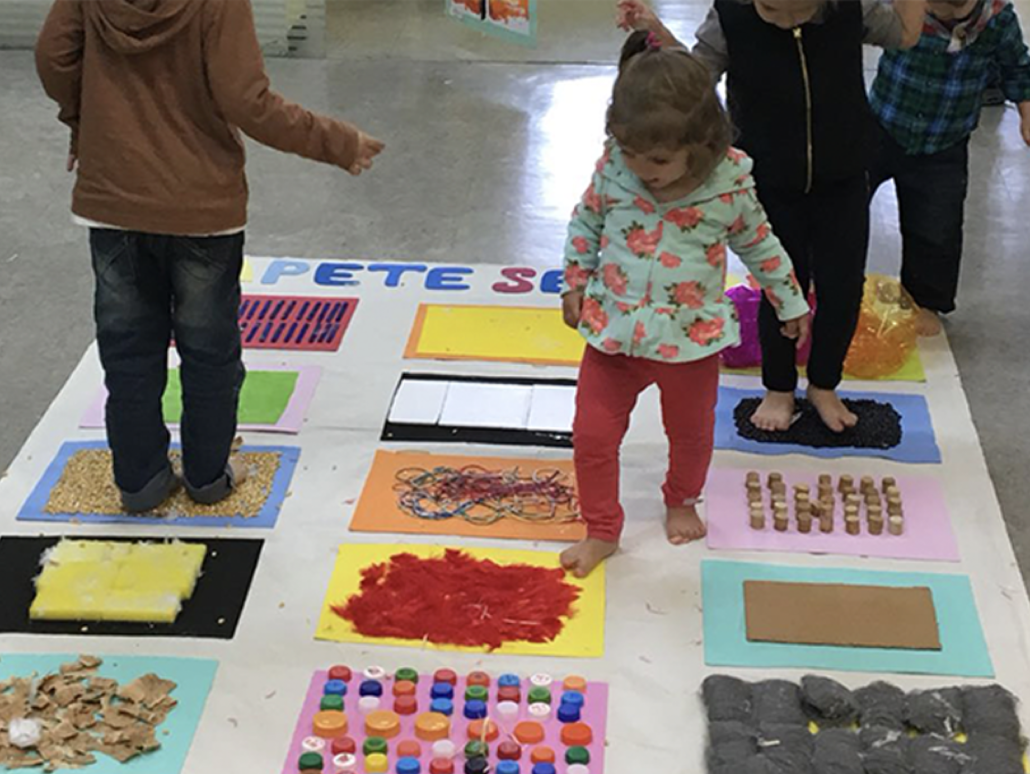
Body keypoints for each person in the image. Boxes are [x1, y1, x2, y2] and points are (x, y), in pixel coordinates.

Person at [36, 0, 384, 512]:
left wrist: (83, 123)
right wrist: (336, 141)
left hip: (113, 198)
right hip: (203, 208)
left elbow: (53, 57)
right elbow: (247, 100)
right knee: (209, 349)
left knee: (128, 350)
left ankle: (139, 482)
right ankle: (207, 476)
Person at [559, 32, 811, 577]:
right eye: (628, 150)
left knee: (692, 434)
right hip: (613, 333)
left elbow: (761, 245)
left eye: (656, 158)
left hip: (690, 342)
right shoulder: (615, 170)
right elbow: (586, 222)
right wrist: (574, 281)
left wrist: (788, 300)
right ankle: (602, 527)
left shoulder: (727, 187)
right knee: (592, 436)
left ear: (701, 146)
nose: (641, 167)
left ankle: (681, 498)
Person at [618, 0, 925, 432]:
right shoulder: (730, 16)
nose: (776, 17)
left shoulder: (851, 7)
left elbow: (905, 34)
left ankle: (823, 384)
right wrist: (657, 32)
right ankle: (779, 387)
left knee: (842, 286)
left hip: (845, 173)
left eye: (788, 9)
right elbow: (695, 81)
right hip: (768, 178)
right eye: (767, 7)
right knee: (781, 284)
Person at [869, 0, 1030, 336]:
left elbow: (1018, 68)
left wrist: (1026, 114)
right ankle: (818, 280)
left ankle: (925, 300)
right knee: (841, 206)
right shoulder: (901, 10)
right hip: (881, 127)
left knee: (936, 227)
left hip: (944, 143)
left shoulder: (997, 20)